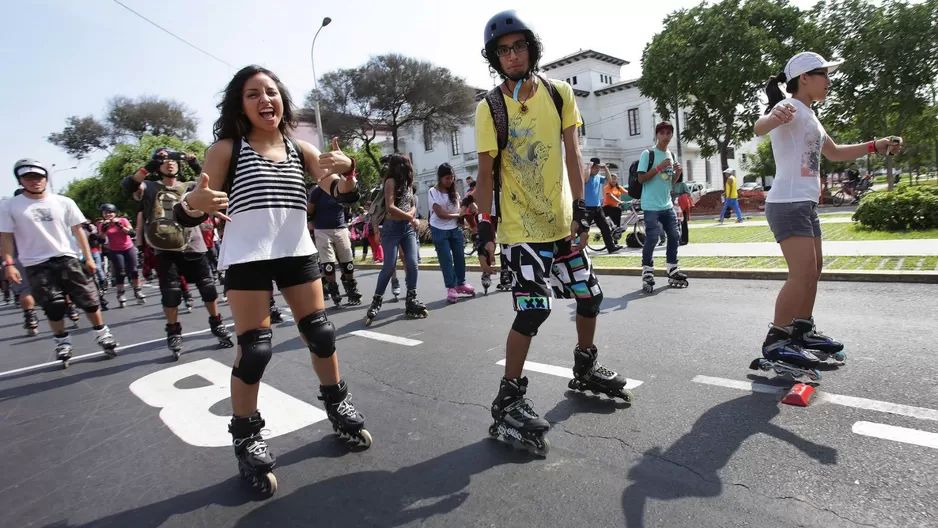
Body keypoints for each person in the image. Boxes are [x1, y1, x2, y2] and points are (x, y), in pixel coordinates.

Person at [178, 64, 371, 494]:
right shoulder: (227, 149)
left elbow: (338, 189)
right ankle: (247, 435)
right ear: (240, 105)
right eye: (253, 94)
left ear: (282, 100)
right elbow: (193, 205)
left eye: (271, 92)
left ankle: (337, 406)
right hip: (248, 259)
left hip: (296, 252)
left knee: (320, 334)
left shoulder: (299, 148)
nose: (265, 99)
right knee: (255, 350)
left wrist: (350, 168)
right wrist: (194, 202)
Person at [474, 10, 631, 457]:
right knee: (533, 311)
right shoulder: (490, 108)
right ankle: (508, 397)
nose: (512, 56)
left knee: (591, 296)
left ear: (532, 49)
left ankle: (584, 368)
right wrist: (485, 228)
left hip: (562, 225)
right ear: (494, 57)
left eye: (519, 46)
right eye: (503, 50)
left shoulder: (560, 94)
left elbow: (573, 155)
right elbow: (485, 174)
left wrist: (583, 209)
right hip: (520, 229)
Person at [751, 51, 903, 379]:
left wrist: (875, 145)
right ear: (804, 78)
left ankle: (802, 329)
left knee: (814, 270)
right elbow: (759, 127)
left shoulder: (810, 116)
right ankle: (776, 340)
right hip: (787, 202)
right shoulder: (788, 109)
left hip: (804, 204)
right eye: (824, 74)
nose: (829, 81)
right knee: (801, 273)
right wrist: (774, 116)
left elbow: (833, 152)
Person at [1, 159, 118, 365]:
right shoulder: (10, 206)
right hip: (36, 263)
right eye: (28, 178)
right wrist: (9, 264)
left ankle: (102, 333)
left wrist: (89, 258)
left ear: (45, 178)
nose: (34, 181)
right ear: (20, 180)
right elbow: (7, 236)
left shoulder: (63, 202)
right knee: (53, 306)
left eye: (38, 177)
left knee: (89, 300)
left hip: (67, 257)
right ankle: (62, 341)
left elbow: (78, 230)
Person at [122, 147, 233, 358]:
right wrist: (150, 165)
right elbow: (129, 185)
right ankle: (173, 331)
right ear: (157, 165)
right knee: (171, 293)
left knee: (208, 288)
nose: (169, 163)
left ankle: (216, 323)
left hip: (193, 243)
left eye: (173, 159)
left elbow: (212, 184)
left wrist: (194, 163)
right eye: (163, 160)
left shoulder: (189, 186)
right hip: (165, 247)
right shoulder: (148, 187)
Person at [363, 154, 428, 325]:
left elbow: (413, 204)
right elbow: (390, 207)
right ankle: (376, 301)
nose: (409, 168)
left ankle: (411, 299)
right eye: (407, 165)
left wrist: (411, 216)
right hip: (391, 230)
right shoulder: (390, 182)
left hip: (407, 229)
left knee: (412, 263)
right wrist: (409, 216)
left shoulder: (408, 183)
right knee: (389, 265)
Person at [636, 121, 688, 292]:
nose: (666, 136)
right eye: (662, 133)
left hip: (666, 205)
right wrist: (659, 167)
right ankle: (647, 271)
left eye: (669, 133)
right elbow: (641, 179)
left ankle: (672, 268)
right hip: (650, 205)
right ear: (657, 135)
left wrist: (678, 174)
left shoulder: (671, 155)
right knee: (652, 238)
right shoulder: (648, 154)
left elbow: (669, 184)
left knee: (674, 235)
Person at [308, 177, 363, 308]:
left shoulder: (339, 188)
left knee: (347, 261)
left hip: (340, 228)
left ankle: (352, 290)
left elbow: (349, 203)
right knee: (328, 264)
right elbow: (309, 212)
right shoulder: (316, 191)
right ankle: (334, 290)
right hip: (322, 229)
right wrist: (311, 230)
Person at [429, 163, 474, 303]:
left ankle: (460, 283)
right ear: (440, 178)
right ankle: (451, 288)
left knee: (460, 256)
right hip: (439, 229)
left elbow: (461, 208)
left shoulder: (455, 192)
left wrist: (467, 216)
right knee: (446, 259)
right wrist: (459, 215)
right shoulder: (433, 192)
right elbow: (440, 213)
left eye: (452, 178)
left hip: (455, 229)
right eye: (447, 178)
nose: (450, 181)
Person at [99, 204, 145, 306]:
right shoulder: (103, 225)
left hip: (128, 248)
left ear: (115, 213)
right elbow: (101, 239)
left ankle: (137, 291)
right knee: (121, 272)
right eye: (105, 213)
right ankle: (120, 294)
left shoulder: (122, 220)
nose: (108, 214)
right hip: (115, 250)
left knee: (134, 270)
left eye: (110, 212)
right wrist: (104, 229)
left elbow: (131, 233)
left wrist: (119, 225)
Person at [584, 158, 621, 253]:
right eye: (595, 168)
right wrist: (588, 166)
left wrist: (605, 168)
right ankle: (580, 249)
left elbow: (609, 180)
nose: (597, 170)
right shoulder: (586, 174)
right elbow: (585, 179)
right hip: (587, 208)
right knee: (583, 229)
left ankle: (611, 248)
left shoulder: (598, 177)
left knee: (605, 228)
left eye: (598, 168)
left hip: (598, 207)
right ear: (591, 167)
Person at [671, 172, 692, 245]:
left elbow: (688, 193)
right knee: (674, 224)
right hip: (673, 206)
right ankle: (676, 239)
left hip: (682, 206)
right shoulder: (671, 184)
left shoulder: (682, 184)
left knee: (683, 223)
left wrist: (680, 196)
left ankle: (684, 239)